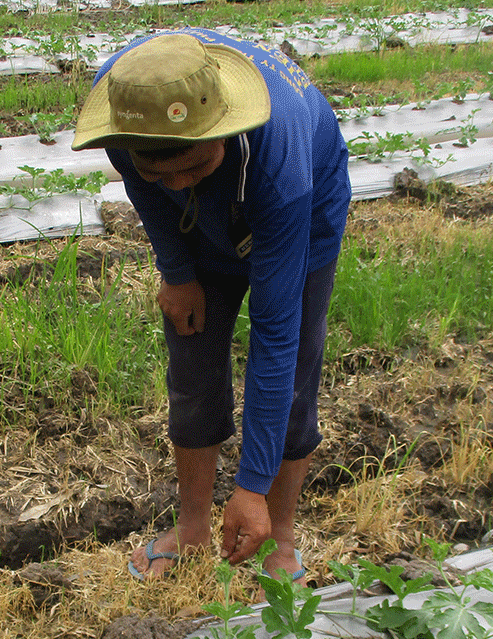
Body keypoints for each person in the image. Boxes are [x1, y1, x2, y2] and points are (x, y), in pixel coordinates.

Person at [72, 29, 351, 582]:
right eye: (160, 169)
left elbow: (275, 334)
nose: (175, 181)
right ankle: (194, 525)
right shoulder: (126, 111)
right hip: (199, 224)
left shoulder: (279, 163)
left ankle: (280, 531)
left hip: (302, 219)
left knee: (292, 372)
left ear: (222, 129)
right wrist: (177, 272)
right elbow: (148, 191)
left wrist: (250, 489)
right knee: (193, 364)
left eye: (192, 167)